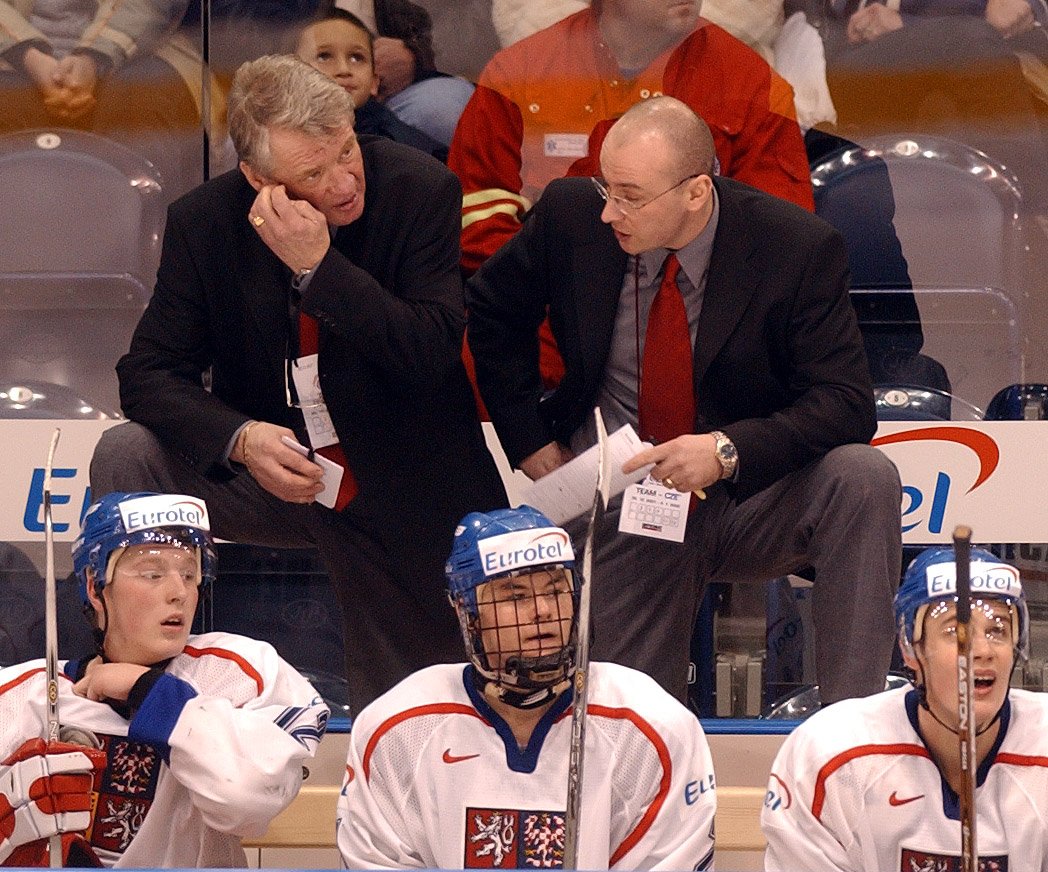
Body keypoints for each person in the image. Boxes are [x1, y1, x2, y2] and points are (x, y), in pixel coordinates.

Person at [89, 54, 507, 718]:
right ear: (258, 179)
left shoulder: (417, 187)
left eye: (346, 150)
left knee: (416, 710)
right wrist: (242, 440)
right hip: (275, 476)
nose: (344, 181)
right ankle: (135, 674)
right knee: (127, 451)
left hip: (399, 478)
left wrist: (320, 268)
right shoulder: (205, 221)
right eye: (312, 174)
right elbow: (145, 375)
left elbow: (430, 350)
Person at [467, 96, 902, 707]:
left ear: (696, 191)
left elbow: (846, 402)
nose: (609, 212)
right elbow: (491, 310)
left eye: (630, 196)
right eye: (606, 187)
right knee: (629, 713)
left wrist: (724, 451)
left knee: (863, 475)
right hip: (626, 498)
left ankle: (853, 733)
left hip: (747, 498)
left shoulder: (793, 247)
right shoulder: (572, 217)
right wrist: (531, 440)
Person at [336, 505, 717, 870]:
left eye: (555, 590)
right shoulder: (395, 729)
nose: (543, 610)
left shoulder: (655, 728)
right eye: (515, 595)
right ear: (465, 612)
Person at [0, 491, 328, 867]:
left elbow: (249, 802)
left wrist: (150, 692)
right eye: (152, 573)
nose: (178, 593)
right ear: (94, 586)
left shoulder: (239, 672)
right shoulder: (21, 696)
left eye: (190, 574)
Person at [449, 0, 815, 277]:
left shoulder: (753, 86)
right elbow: (473, 212)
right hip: (541, 334)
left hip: (694, 335)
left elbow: (781, 241)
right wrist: (556, 285)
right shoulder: (518, 77)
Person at [762, 545, 1048, 871]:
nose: (982, 650)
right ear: (909, 648)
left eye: (997, 630)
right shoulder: (830, 755)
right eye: (956, 631)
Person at [0, 0, 212, 202]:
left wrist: (93, 58)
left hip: (142, 49)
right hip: (8, 57)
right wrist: (26, 56)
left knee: (144, 108)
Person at [295, 6, 448, 161]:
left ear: (374, 82)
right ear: (291, 74)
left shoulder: (395, 147)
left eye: (356, 58)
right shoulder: (277, 133)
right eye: (324, 57)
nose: (344, 69)